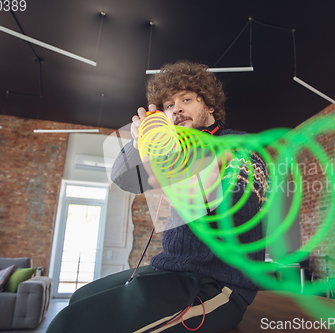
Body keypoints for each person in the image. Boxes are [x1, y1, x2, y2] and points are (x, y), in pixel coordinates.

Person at [46, 61, 268, 333]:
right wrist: (139, 143)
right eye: (168, 105)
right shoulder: (176, 151)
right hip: (169, 270)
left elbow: (237, 212)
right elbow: (123, 178)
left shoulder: (240, 146)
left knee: (71, 325)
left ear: (210, 106)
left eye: (186, 99)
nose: (176, 109)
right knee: (80, 298)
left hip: (218, 284)